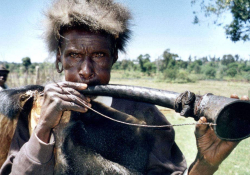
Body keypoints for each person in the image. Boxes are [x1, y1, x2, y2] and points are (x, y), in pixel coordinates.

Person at [0, 0, 240, 174]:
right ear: (58, 60)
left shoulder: (144, 113)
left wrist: (206, 164)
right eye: (73, 55)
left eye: (99, 55)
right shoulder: (32, 109)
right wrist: (44, 127)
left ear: (114, 57)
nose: (86, 70)